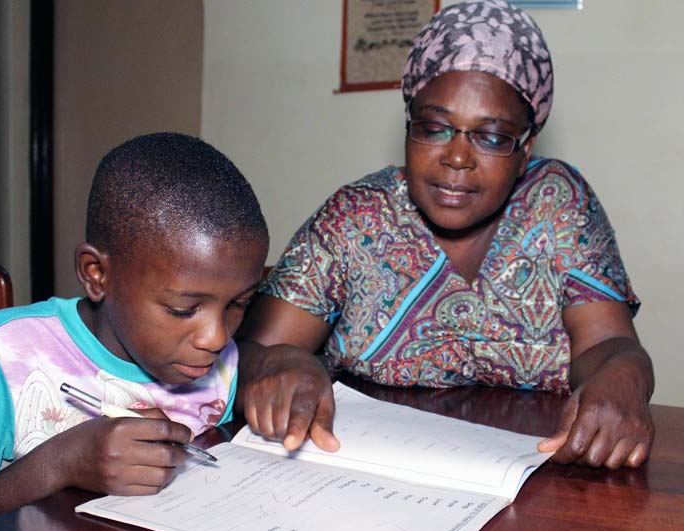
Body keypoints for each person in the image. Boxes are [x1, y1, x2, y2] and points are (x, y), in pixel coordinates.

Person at [237, 0, 654, 470]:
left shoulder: (559, 203)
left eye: (492, 137)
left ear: (525, 149)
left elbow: (605, 345)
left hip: (538, 474)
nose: (457, 158)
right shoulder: (355, 218)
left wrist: (626, 373)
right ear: (409, 127)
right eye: (434, 128)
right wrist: (275, 365)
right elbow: (255, 349)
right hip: (363, 470)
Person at [0, 133, 269, 531]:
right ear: (96, 274)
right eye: (183, 309)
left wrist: (284, 364)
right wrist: (57, 464)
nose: (217, 338)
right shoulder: (0, 358)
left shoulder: (212, 362)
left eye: (239, 303)